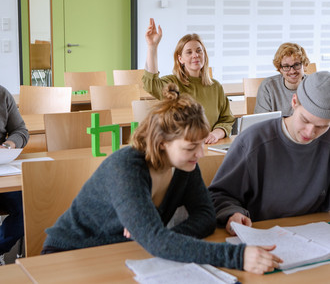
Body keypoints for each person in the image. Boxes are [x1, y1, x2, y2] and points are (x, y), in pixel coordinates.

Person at [42, 83, 281, 274]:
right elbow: (156, 241)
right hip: (72, 255)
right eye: (191, 147)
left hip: (131, 253)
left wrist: (159, 238)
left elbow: (206, 217)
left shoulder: (185, 165)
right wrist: (238, 257)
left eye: (201, 144)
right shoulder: (126, 167)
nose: (200, 153)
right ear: (161, 143)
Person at [209, 71, 330, 236]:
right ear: (294, 102)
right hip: (261, 234)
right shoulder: (253, 141)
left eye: (322, 126)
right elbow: (219, 194)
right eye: (305, 120)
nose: (310, 132)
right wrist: (232, 213)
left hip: (316, 235)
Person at [142, 18, 235, 144]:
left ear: (204, 55)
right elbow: (151, 84)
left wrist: (216, 134)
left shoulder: (216, 87)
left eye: (198, 51)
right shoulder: (172, 84)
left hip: (210, 145)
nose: (195, 55)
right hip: (182, 147)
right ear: (180, 59)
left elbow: (226, 120)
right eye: (189, 52)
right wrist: (152, 46)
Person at [0, 85, 29, 265]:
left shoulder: (2, 94)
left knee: (26, 208)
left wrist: (8, 145)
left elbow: (21, 130)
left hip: (3, 169)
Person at [254, 42, 310, 116]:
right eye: (286, 66)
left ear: (304, 65)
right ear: (280, 68)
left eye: (296, 65)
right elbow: (261, 121)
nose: (292, 71)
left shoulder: (315, 85)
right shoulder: (268, 86)